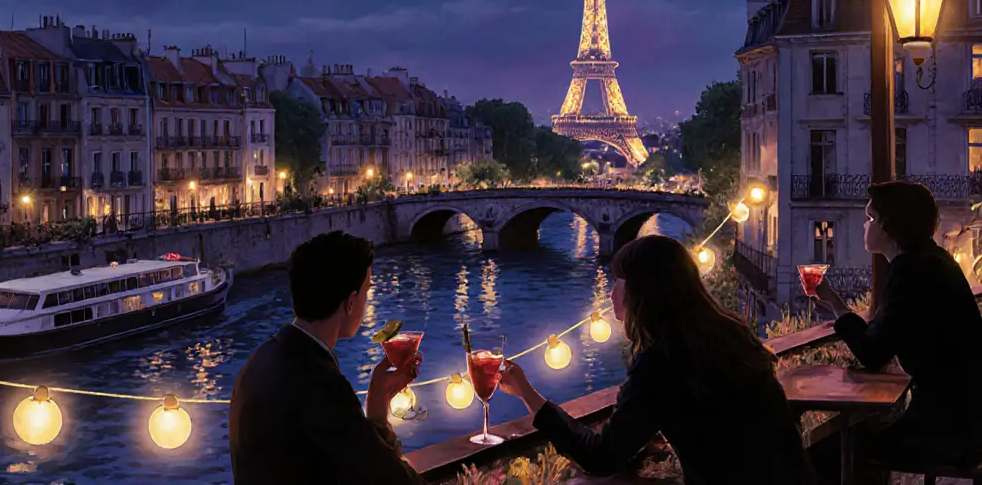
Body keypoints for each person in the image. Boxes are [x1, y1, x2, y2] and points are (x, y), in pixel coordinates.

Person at [497, 235, 814, 484]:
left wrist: (527, 392)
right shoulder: (728, 335)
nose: (610, 294)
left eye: (617, 283)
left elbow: (601, 457)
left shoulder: (661, 361)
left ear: (640, 291)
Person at [229, 231, 425, 484]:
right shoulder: (318, 382)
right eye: (367, 290)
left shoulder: (262, 360)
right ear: (351, 302)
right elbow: (391, 478)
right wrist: (377, 416)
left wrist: (377, 400)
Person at [812, 180, 982, 467]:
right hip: (966, 418)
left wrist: (833, 302)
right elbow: (885, 336)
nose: (864, 226)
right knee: (846, 440)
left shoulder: (911, 271)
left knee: (827, 453)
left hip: (947, 430)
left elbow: (872, 352)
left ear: (888, 226)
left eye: (870, 218)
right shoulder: (932, 261)